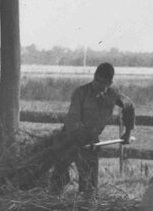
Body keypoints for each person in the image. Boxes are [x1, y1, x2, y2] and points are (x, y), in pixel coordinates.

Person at [50, 62, 135, 196]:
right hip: (69, 139)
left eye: (103, 83)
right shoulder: (80, 92)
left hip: (91, 142)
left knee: (89, 186)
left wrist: (128, 132)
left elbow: (129, 106)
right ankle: (52, 204)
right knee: (59, 179)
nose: (98, 85)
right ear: (94, 76)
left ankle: (85, 209)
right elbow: (73, 119)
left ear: (110, 82)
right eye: (97, 80)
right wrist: (80, 139)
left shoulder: (113, 94)